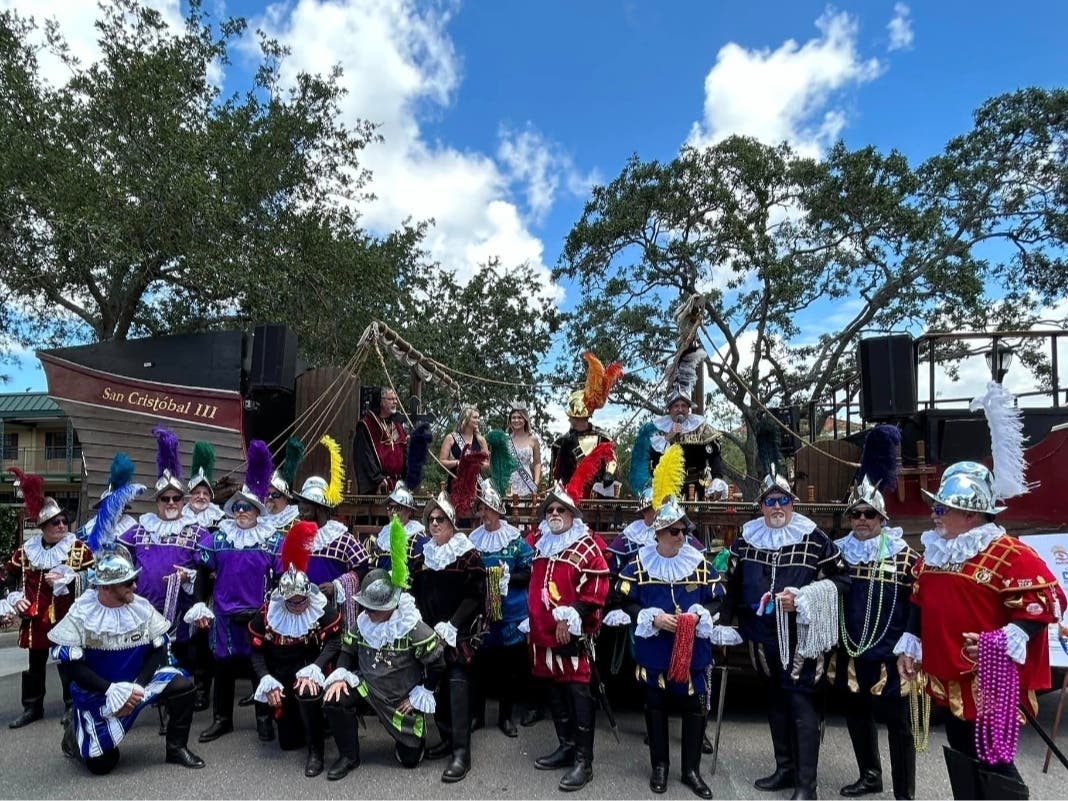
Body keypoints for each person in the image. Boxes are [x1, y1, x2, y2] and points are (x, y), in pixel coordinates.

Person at [894, 462, 1066, 799]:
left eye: (941, 508)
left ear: (970, 514)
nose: (933, 514)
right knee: (962, 751)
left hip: (988, 680)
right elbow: (919, 597)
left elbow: (1048, 601)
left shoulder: (1011, 554)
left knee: (994, 758)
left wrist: (1004, 639)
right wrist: (911, 641)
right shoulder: (936, 552)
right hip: (947, 674)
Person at [722, 470, 848, 800]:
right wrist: (723, 624)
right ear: (761, 505)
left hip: (802, 639)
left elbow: (841, 581)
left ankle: (807, 785)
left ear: (792, 503)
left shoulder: (815, 539)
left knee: (801, 703)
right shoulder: (746, 539)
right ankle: (785, 769)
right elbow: (732, 585)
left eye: (783, 500)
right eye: (770, 501)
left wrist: (805, 598)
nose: (777, 506)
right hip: (761, 637)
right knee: (776, 701)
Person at [615, 496, 740, 798]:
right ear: (658, 533)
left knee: (694, 709)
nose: (681, 536)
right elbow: (623, 600)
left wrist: (699, 614)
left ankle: (691, 771)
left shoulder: (699, 564)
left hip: (692, 651)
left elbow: (717, 599)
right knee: (655, 708)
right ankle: (659, 766)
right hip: (655, 651)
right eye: (674, 531)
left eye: (684, 531)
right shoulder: (639, 565)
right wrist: (652, 618)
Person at [48, 537, 205, 775]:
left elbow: (158, 651)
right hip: (99, 692)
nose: (135, 587)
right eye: (127, 583)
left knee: (182, 686)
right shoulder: (81, 613)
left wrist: (137, 687)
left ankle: (176, 748)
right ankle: (73, 736)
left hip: (137, 683)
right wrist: (111, 690)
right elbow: (73, 668)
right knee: (103, 766)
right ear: (106, 587)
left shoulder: (140, 607)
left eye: (134, 580)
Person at [185, 440, 284, 744]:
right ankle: (222, 720)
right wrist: (200, 604)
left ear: (257, 511)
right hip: (224, 615)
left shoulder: (272, 540)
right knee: (223, 668)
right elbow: (202, 569)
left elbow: (283, 576)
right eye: (237, 507)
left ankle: (264, 719)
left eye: (247, 507)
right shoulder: (218, 538)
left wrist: (275, 610)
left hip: (258, 616)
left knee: (259, 669)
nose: (241, 511)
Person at [830, 476, 918, 800]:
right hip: (851, 650)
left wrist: (912, 643)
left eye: (869, 514)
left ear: (882, 518)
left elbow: (917, 603)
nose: (862, 519)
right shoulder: (838, 555)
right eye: (856, 514)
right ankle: (870, 776)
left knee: (899, 723)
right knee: (857, 714)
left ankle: (904, 793)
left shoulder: (904, 557)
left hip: (892, 655)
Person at [319, 566, 446, 778]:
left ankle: (410, 744)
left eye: (373, 609)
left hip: (399, 699)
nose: (367, 613)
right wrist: (340, 674)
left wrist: (420, 694)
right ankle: (348, 757)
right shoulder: (363, 623)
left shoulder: (413, 628)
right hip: (367, 687)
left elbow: (438, 664)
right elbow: (348, 650)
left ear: (391, 605)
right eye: (365, 607)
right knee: (334, 697)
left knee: (410, 760)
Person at [525, 482, 610, 792]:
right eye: (549, 510)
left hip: (571, 634)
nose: (554, 513)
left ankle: (584, 761)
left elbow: (598, 587)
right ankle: (566, 746)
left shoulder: (587, 545)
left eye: (561, 509)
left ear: (573, 513)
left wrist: (572, 614)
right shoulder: (542, 544)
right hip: (542, 633)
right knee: (553, 690)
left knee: (577, 692)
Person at [118, 434, 211, 712]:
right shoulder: (139, 529)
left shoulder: (198, 532)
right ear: (157, 501)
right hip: (146, 608)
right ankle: (158, 696)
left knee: (187, 654)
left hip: (182, 610)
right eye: (165, 498)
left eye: (176, 498)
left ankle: (189, 697)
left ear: (183, 501)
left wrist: (189, 577)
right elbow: (119, 558)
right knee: (153, 655)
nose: (171, 503)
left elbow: (208, 569)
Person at [248, 521, 344, 778]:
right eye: (293, 603)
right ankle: (307, 723)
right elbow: (256, 652)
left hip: (308, 667)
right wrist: (266, 679)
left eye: (302, 601)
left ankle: (317, 752)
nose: (299, 606)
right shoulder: (267, 614)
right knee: (288, 742)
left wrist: (316, 667)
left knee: (308, 692)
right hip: (279, 671)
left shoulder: (319, 607)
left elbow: (336, 641)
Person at [1, 468, 94, 729]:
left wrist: (72, 580)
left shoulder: (78, 549)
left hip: (67, 617)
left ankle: (72, 705)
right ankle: (32, 707)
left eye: (64, 521)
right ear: (43, 527)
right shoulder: (26, 552)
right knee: (35, 664)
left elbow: (96, 579)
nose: (62, 526)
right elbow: (9, 577)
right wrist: (14, 597)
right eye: (56, 523)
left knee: (68, 662)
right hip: (36, 618)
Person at [409, 492, 487, 783]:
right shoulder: (423, 557)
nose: (434, 523)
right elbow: (415, 595)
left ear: (451, 523)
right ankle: (445, 739)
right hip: (430, 634)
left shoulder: (467, 554)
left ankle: (461, 753)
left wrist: (452, 626)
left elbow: (475, 596)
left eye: (440, 519)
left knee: (456, 685)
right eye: (430, 519)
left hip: (459, 632)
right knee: (437, 685)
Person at [468, 480, 534, 737]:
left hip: (510, 613)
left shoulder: (515, 540)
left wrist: (509, 578)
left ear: (497, 510)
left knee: (509, 669)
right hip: (482, 613)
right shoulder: (474, 540)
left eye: (487, 508)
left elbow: (528, 572)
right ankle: (477, 715)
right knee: (479, 667)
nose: (483, 513)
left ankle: (506, 718)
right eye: (481, 508)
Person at [650, 389, 725, 502]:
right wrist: (668, 437)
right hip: (668, 488)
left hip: (698, 487)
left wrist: (717, 478)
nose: (680, 409)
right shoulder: (658, 430)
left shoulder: (700, 427)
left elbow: (715, 456)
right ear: (669, 409)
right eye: (676, 406)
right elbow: (652, 460)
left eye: (684, 406)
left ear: (689, 409)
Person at [550, 390, 617, 492]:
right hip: (570, 495)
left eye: (572, 417)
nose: (569, 420)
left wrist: (609, 473)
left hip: (597, 494)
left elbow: (611, 459)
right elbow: (556, 475)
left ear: (579, 418)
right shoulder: (562, 442)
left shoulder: (602, 438)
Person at [353, 386, 408, 495]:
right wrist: (379, 480)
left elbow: (404, 451)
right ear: (381, 402)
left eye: (395, 399)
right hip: (379, 487)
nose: (395, 402)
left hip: (398, 486)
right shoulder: (367, 425)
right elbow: (364, 456)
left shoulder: (397, 426)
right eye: (391, 399)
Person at [370, 481, 428, 571]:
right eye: (390, 507)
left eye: (397, 508)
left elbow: (421, 572)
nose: (393, 512)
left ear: (409, 511)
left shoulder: (419, 538)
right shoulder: (383, 536)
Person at [438, 406, 489, 493]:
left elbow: (487, 463)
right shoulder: (451, 438)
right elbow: (442, 461)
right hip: (456, 483)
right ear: (466, 419)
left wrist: (476, 465)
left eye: (478, 418)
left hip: (476, 485)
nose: (478, 420)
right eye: (475, 417)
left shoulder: (481, 440)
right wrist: (458, 463)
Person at [262, 436, 305, 535]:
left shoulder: (297, 518)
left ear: (286, 497)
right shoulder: (258, 517)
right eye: (267, 494)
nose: (270, 498)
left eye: (275, 494)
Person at [184, 440, 224, 528]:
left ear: (210, 497)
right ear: (190, 495)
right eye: (197, 493)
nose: (201, 497)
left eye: (205, 493)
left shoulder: (220, 519)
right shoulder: (179, 517)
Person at [505, 402, 542, 497]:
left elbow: (537, 462)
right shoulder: (505, 440)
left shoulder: (533, 439)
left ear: (525, 419)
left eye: (519, 417)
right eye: (513, 417)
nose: (516, 420)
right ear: (510, 420)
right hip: (509, 484)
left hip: (527, 483)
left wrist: (536, 482)